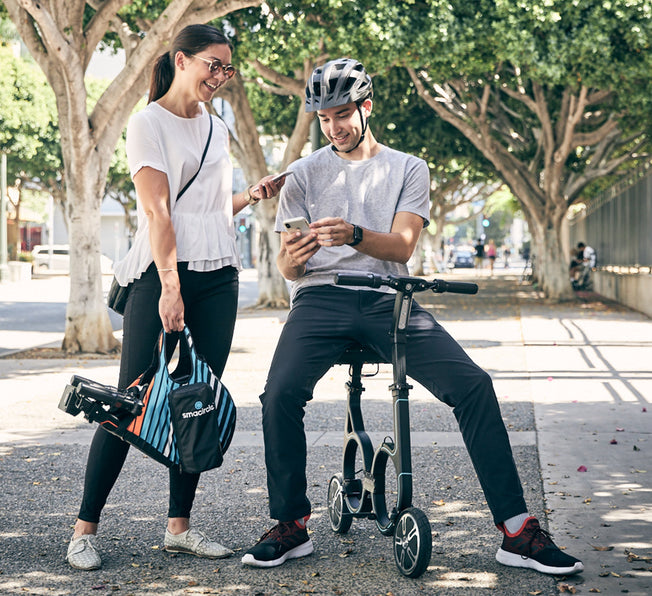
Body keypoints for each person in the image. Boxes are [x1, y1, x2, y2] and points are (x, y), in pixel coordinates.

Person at [241, 58, 583, 576]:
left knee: (473, 384)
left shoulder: (408, 167)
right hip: (319, 298)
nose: (333, 127)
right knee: (278, 395)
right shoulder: (303, 175)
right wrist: (299, 251)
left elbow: (402, 246)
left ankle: (516, 531)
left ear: (366, 107)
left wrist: (353, 233)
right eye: (324, 118)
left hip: (388, 296)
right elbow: (288, 270)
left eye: (342, 115)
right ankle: (291, 525)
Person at [66, 24, 285, 571]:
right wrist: (169, 286)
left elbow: (206, 210)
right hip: (163, 275)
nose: (221, 77)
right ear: (182, 60)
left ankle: (178, 528)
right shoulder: (147, 124)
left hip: (219, 273)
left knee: (195, 398)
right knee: (128, 403)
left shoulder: (217, 127)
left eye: (227, 69)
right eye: (214, 65)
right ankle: (84, 531)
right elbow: (159, 212)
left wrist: (249, 196)